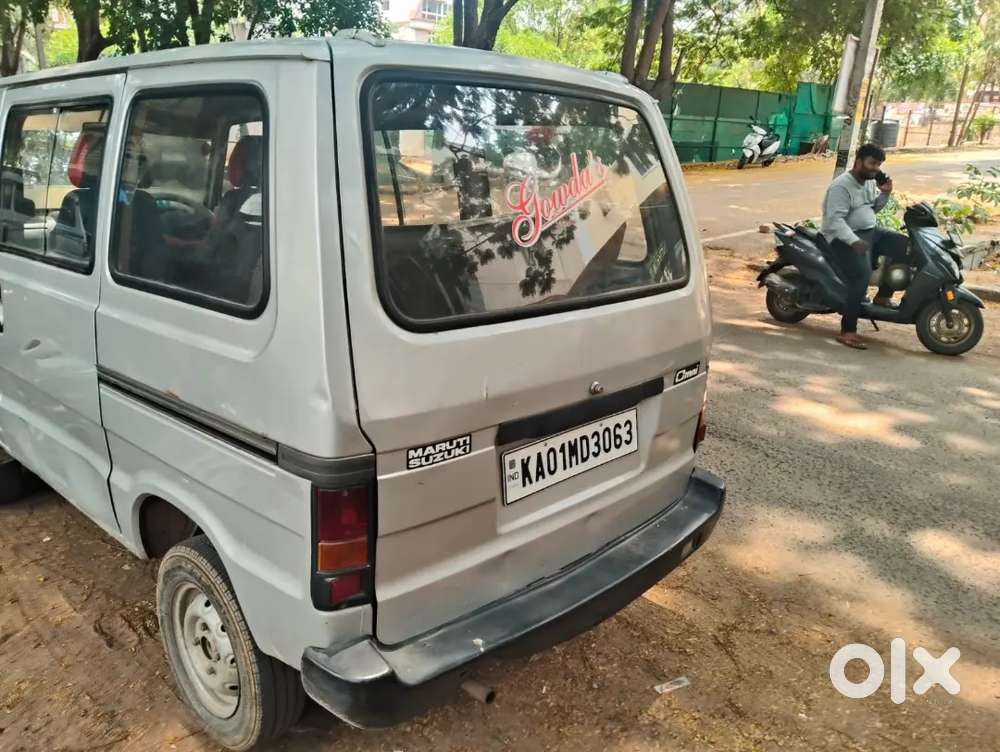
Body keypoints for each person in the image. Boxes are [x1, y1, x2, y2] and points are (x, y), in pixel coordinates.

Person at [821, 143, 909, 350]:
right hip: (842, 238)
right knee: (861, 276)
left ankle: (883, 297)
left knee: (906, 247)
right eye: (872, 163)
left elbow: (873, 208)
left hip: (871, 232)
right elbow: (834, 221)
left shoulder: (869, 181)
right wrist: (854, 241)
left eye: (878, 165)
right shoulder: (841, 186)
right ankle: (848, 331)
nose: (875, 168)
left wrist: (885, 194)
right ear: (858, 161)